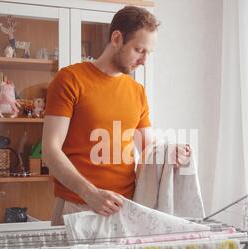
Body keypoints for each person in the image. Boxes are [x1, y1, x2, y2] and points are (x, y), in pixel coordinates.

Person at [42, 6, 191, 226]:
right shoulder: (70, 80)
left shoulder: (137, 91)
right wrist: (90, 194)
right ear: (117, 38)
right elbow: (50, 151)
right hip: (77, 207)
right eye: (139, 50)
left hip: (124, 209)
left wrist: (172, 154)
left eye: (148, 53)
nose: (144, 61)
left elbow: (149, 150)